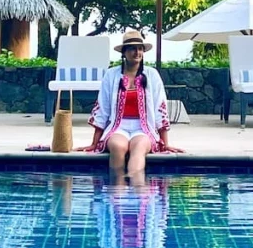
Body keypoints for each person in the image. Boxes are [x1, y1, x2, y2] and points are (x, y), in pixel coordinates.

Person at [76, 30, 184, 172]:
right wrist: (94, 143)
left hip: (143, 128)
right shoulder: (111, 75)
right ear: (124, 52)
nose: (137, 52)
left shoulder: (152, 75)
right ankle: (116, 189)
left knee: (138, 149)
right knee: (117, 147)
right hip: (118, 127)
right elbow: (102, 109)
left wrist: (165, 143)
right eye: (132, 48)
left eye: (140, 49)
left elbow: (160, 108)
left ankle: (137, 186)